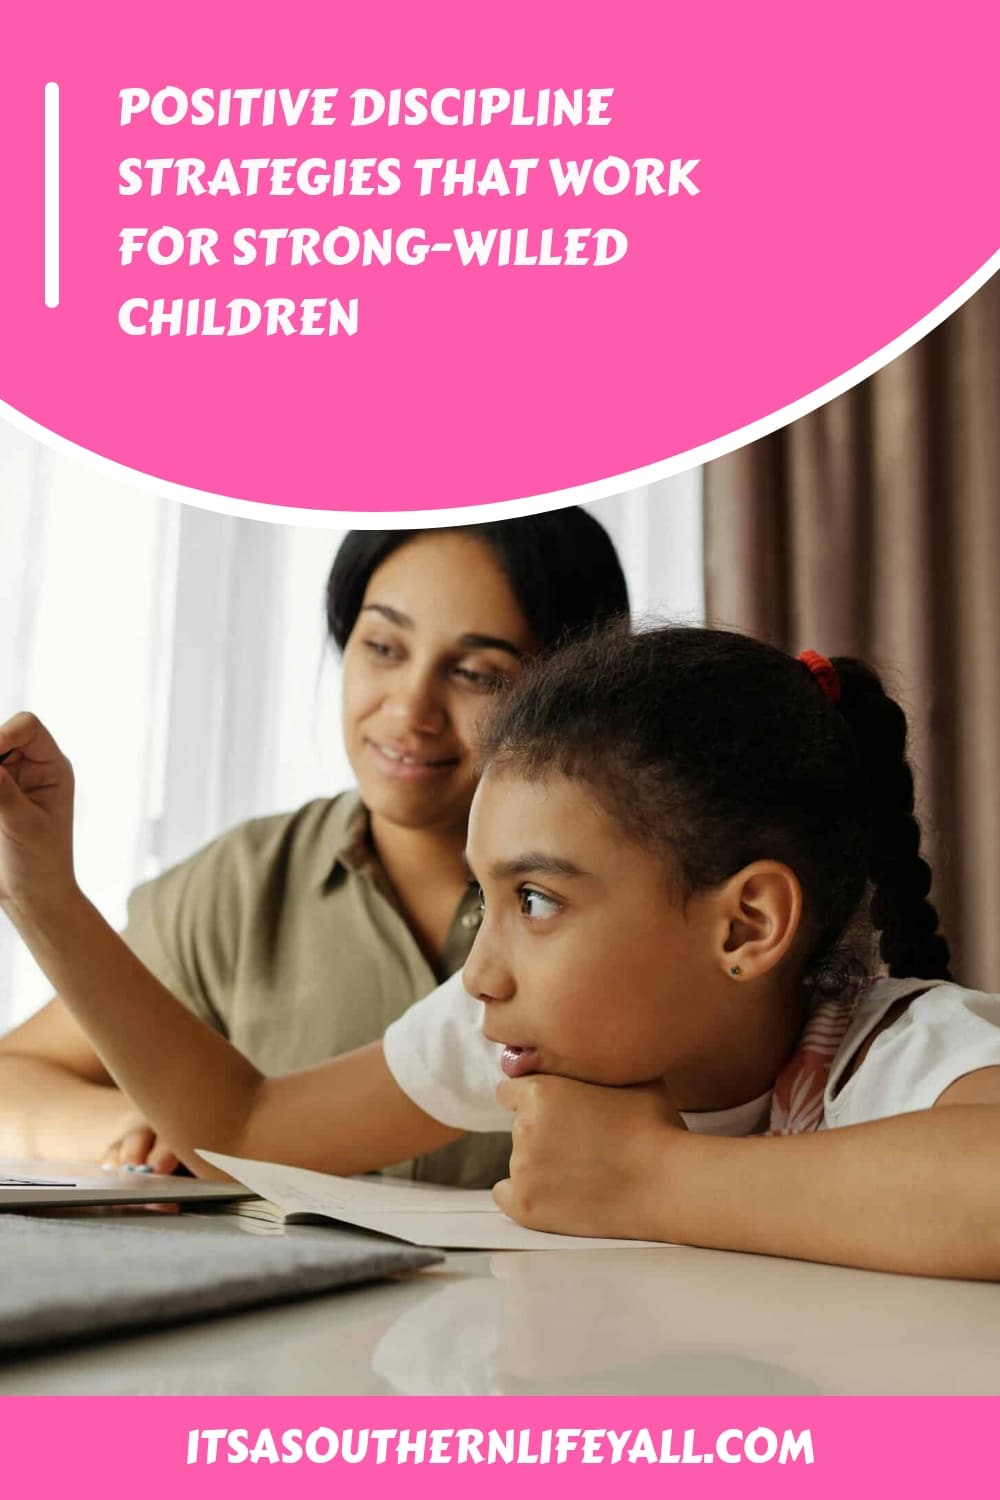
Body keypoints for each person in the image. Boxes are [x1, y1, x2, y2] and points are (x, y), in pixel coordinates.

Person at [2, 623, 1000, 1278]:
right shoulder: (510, 1033)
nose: (480, 973)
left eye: (535, 898)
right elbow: (248, 1126)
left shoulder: (895, 1052)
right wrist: (40, 889)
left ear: (743, 928)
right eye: (486, 901)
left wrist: (651, 1179)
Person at [0, 514, 628, 1186]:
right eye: (384, 647)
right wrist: (142, 1128)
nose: (410, 709)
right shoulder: (244, 884)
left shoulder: (619, 914)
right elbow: (21, 1079)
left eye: (476, 674)